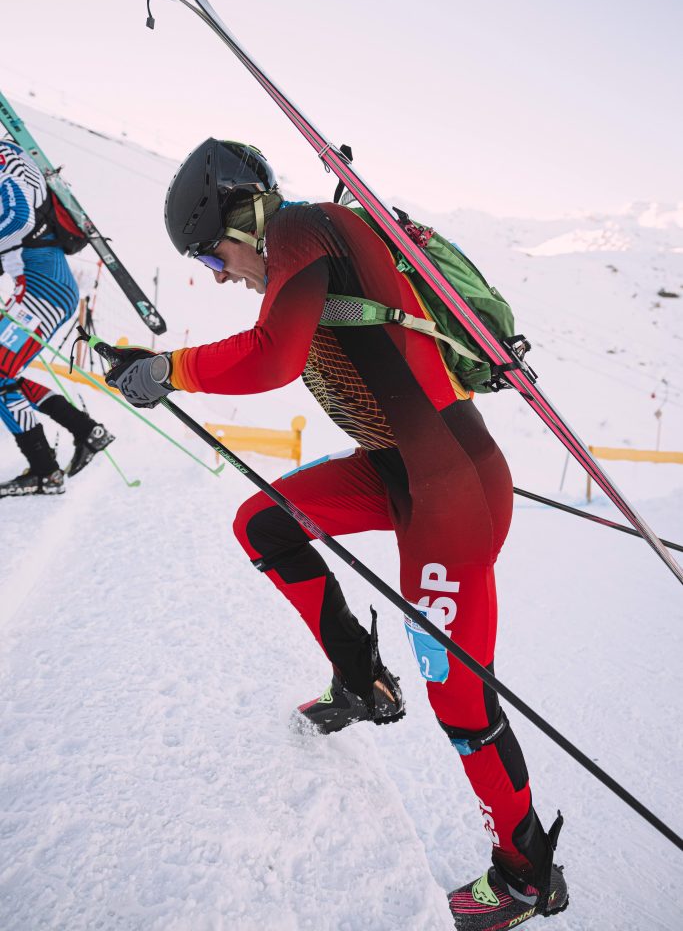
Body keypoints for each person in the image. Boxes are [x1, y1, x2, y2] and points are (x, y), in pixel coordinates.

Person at [106, 139, 568, 929]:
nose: (218, 273)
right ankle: (360, 679)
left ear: (241, 218)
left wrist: (169, 370)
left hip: (448, 492)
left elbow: (273, 358)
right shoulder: (304, 246)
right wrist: (160, 366)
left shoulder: (299, 230)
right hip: (396, 472)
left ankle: (524, 874)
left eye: (212, 254)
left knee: (460, 696)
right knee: (264, 522)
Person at [0, 139, 114, 496]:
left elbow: (18, 217)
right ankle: (86, 430)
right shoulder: (10, 154)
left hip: (42, 293)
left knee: (1, 374)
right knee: (8, 373)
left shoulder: (4, 160)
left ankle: (45, 472)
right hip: (40, 289)